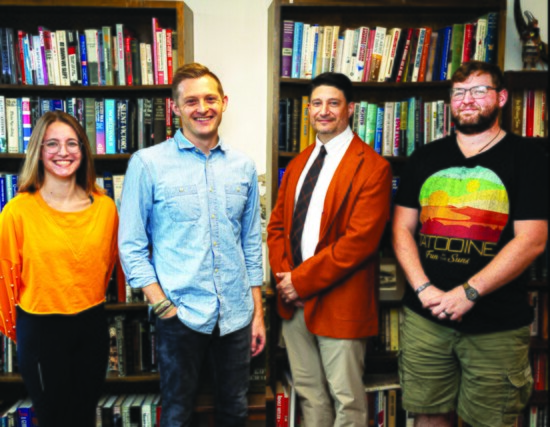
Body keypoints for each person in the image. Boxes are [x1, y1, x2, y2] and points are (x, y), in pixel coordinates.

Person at [392, 61, 548, 427]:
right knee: (429, 417)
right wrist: (424, 288)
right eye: (459, 93)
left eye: (479, 91)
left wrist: (467, 293)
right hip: (425, 318)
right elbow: (401, 230)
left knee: (491, 422)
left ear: (502, 97)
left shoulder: (528, 158)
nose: (467, 100)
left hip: (497, 323)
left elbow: (532, 240)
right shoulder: (425, 157)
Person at [118, 62, 265, 427]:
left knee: (235, 409)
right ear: (176, 108)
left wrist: (257, 312)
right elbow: (131, 245)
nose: (203, 108)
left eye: (210, 98)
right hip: (179, 315)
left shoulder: (243, 166)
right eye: (192, 100)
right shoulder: (148, 164)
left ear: (224, 102)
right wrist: (162, 305)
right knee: (178, 413)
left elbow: (250, 243)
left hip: (235, 314)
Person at [267, 72, 392, 427]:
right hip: (294, 303)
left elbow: (360, 242)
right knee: (309, 395)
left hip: (341, 301)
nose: (324, 111)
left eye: (333, 103)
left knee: (347, 400)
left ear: (350, 109)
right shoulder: (298, 163)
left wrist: (300, 281)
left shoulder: (373, 167)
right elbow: (276, 227)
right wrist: (285, 279)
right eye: (317, 104)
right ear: (309, 110)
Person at [0, 111, 119, 427]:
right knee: (55, 420)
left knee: (83, 418)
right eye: (52, 144)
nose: (63, 152)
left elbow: (104, 268)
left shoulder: (106, 208)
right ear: (39, 151)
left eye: (72, 143)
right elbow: (4, 281)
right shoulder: (17, 212)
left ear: (83, 150)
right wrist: (26, 335)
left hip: (92, 325)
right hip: (40, 331)